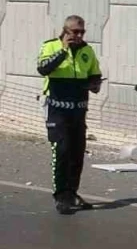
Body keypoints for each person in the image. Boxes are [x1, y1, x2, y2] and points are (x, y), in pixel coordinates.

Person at [36, 15, 103, 215]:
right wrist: (63, 51)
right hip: (57, 109)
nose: (79, 35)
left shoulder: (87, 50)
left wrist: (95, 84)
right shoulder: (50, 46)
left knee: (77, 152)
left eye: (82, 32)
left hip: (79, 110)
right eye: (75, 32)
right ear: (65, 31)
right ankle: (61, 196)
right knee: (62, 150)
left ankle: (72, 192)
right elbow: (43, 68)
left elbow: (95, 74)